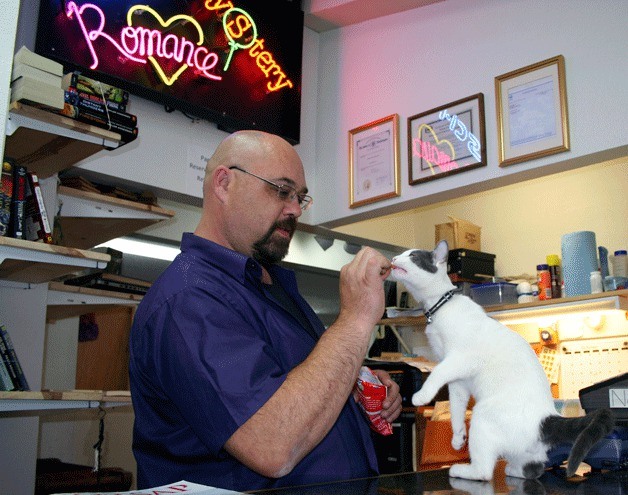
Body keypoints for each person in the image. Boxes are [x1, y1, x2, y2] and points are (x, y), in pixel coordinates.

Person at [129, 130, 402, 491]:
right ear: (224, 184)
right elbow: (273, 446)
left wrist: (351, 383)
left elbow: (294, 390)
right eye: (281, 190)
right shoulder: (188, 299)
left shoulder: (268, 286)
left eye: (300, 197)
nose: (294, 209)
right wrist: (355, 320)